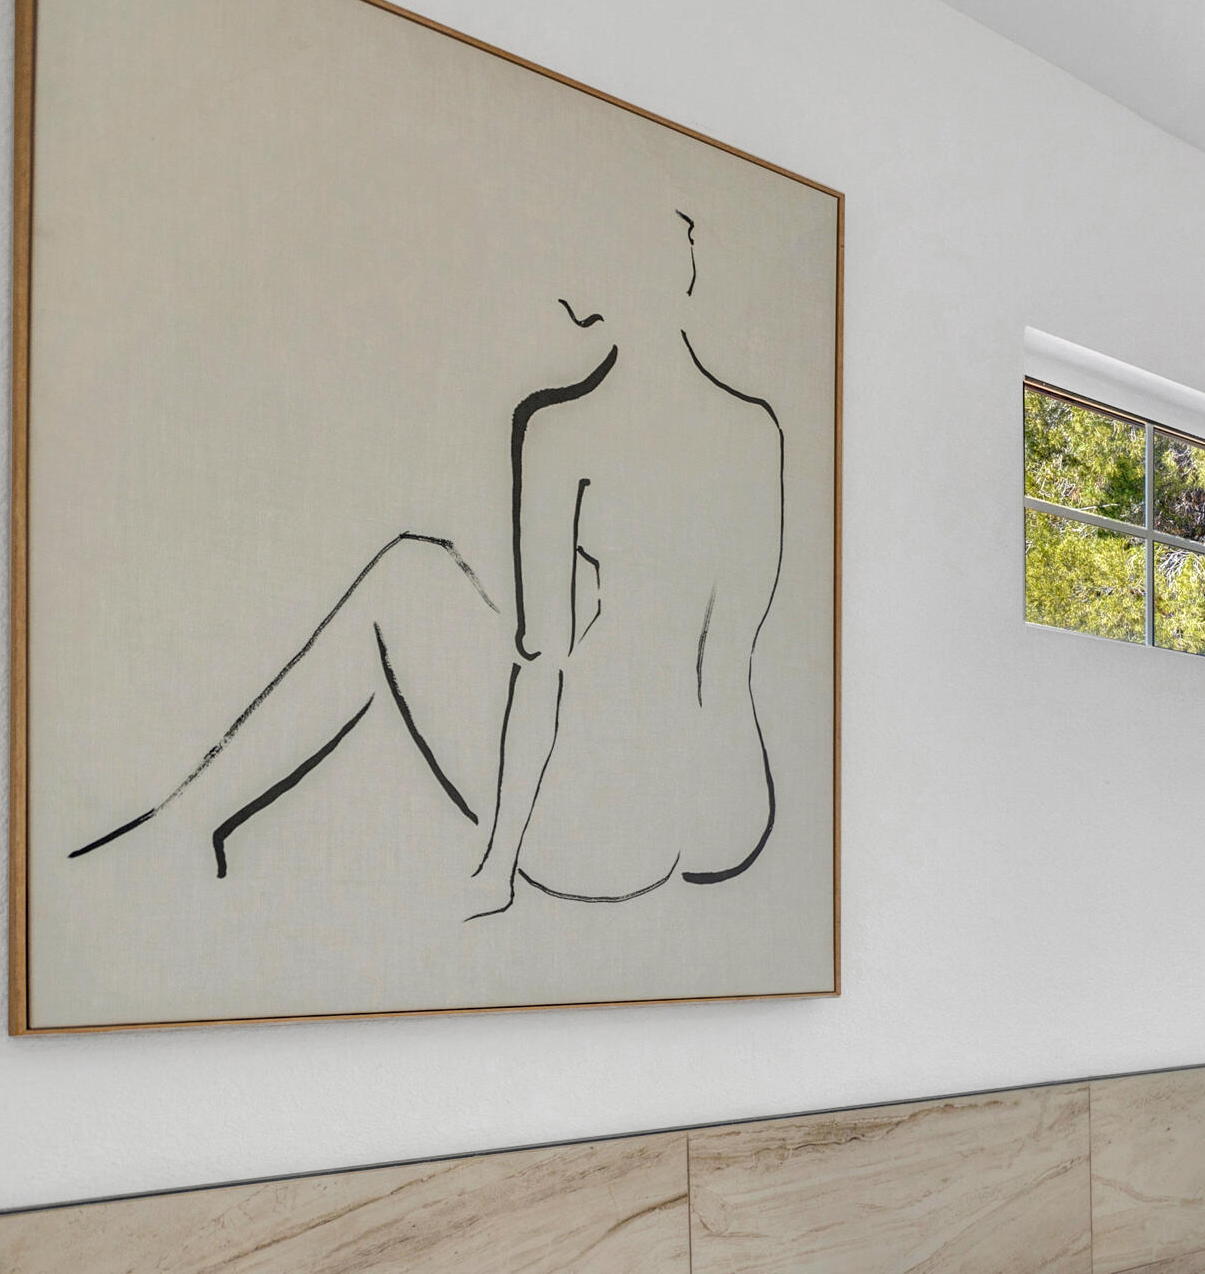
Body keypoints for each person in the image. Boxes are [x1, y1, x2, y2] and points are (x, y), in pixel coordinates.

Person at [70, 209, 787, 918]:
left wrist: (497, 869)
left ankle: (187, 825)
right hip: (730, 810)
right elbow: (729, 643)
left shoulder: (562, 431)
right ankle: (185, 825)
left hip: (609, 834)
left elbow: (544, 663)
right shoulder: (756, 432)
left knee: (408, 573)